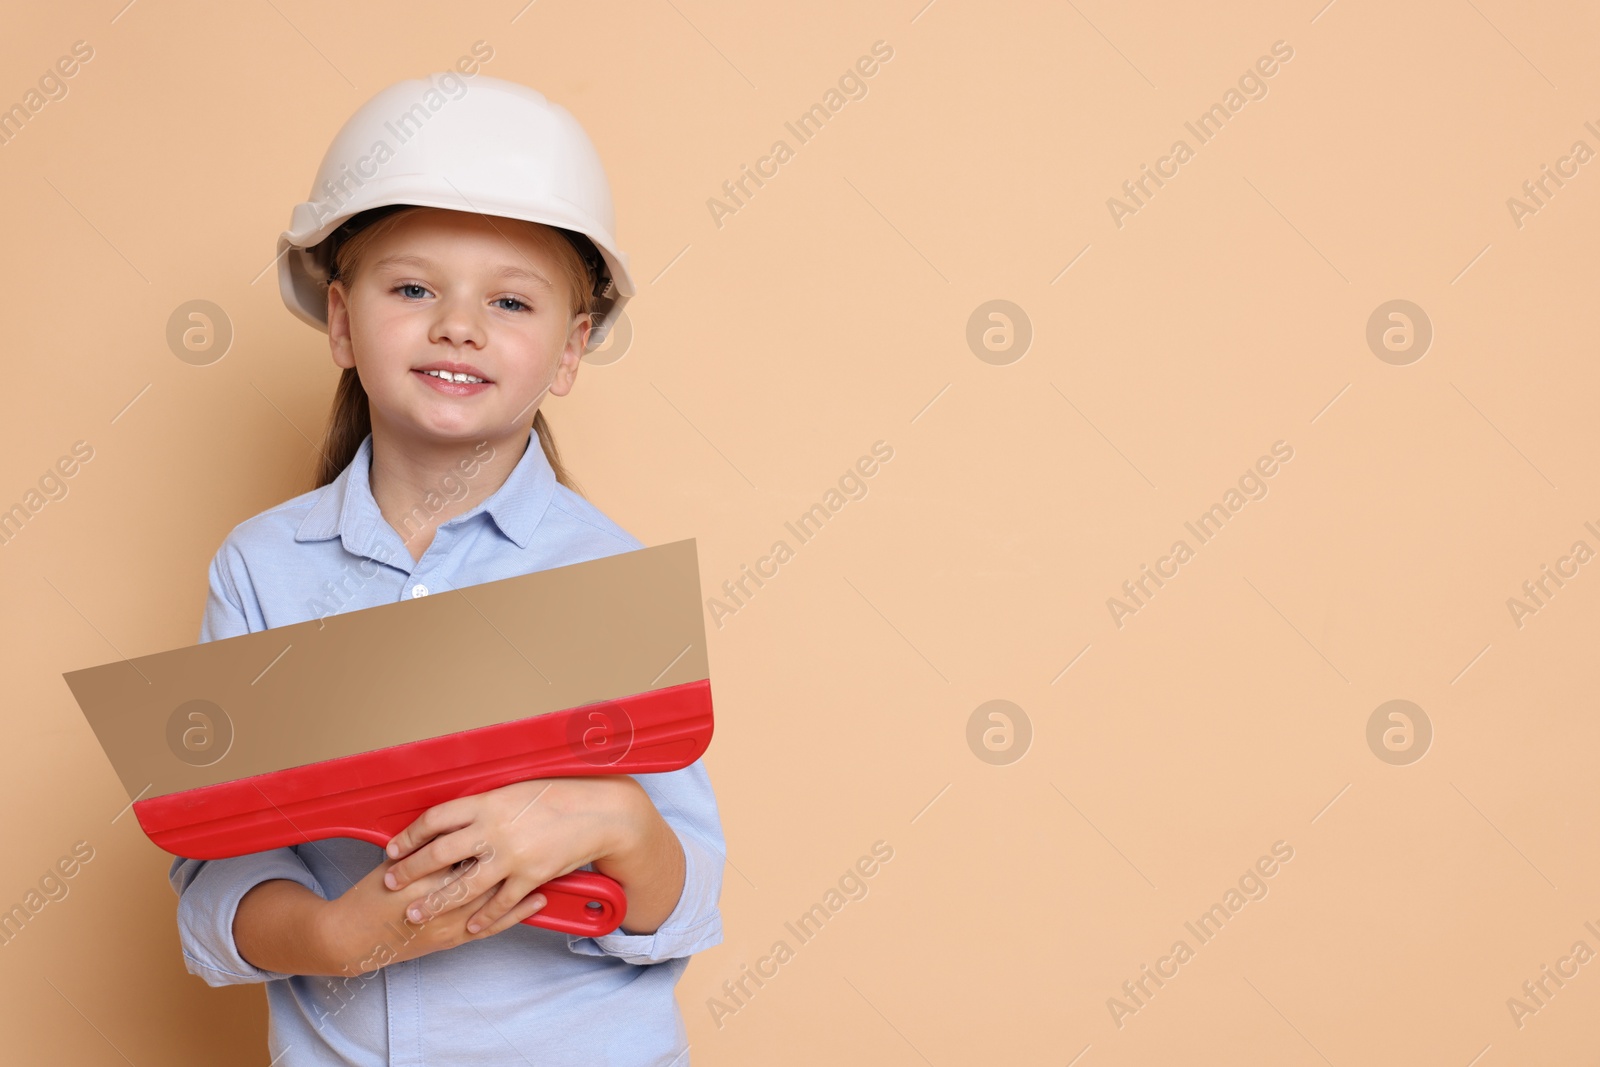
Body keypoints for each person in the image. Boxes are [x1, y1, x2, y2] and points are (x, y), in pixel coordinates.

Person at [169, 72, 725, 1065]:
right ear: (341, 321)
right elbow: (216, 868)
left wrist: (610, 814)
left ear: (569, 348)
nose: (457, 324)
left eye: (510, 299)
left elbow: (683, 901)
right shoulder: (260, 569)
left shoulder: (609, 579)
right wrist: (338, 935)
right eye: (414, 287)